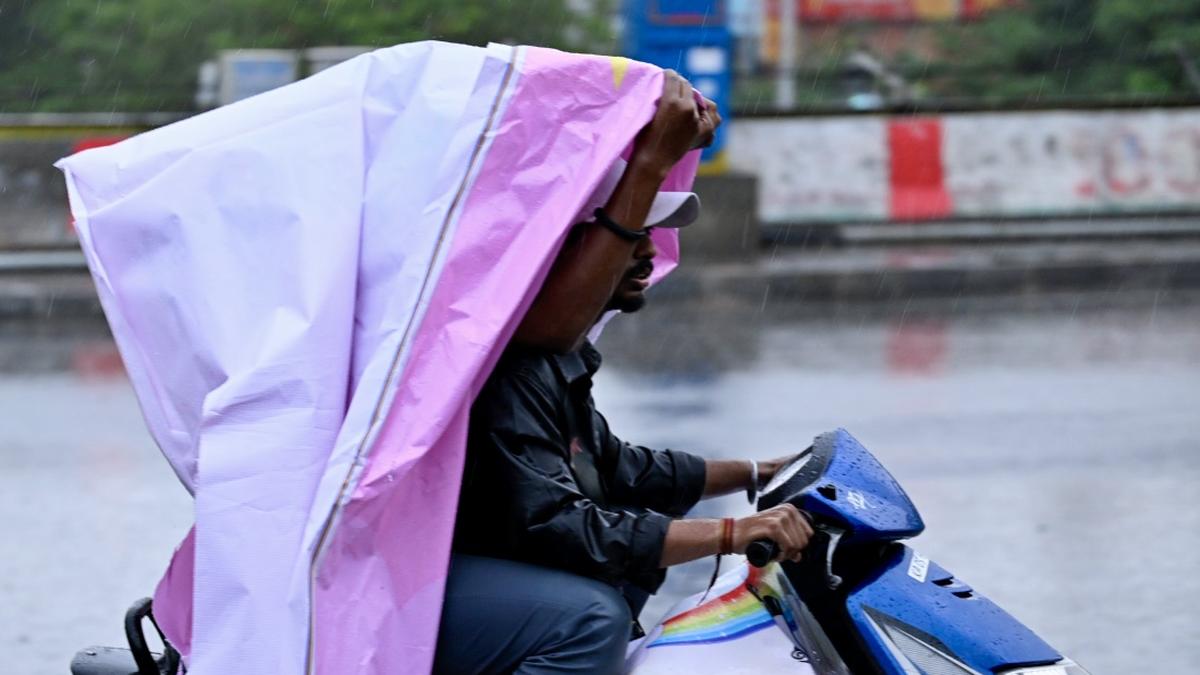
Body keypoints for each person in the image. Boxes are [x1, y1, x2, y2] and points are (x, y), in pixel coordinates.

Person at [434, 71, 814, 675]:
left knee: (639, 557)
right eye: (625, 236)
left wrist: (759, 473)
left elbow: (614, 467)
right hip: (431, 580)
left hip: (482, 569)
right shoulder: (506, 365)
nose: (645, 251)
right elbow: (555, 522)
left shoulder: (560, 356)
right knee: (588, 617)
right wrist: (729, 534)